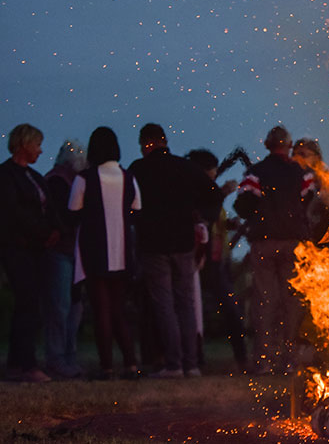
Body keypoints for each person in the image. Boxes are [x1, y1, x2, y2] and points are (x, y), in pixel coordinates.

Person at [128, 123, 221, 379]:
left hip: (154, 244)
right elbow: (214, 193)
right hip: (183, 243)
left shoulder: (139, 169)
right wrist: (202, 217)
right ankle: (191, 364)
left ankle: (173, 363)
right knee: (186, 303)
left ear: (146, 143)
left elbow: (129, 204)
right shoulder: (186, 167)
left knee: (165, 305)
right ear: (164, 140)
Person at [234, 125, 315, 375]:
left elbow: (244, 204)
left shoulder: (255, 173)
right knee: (292, 302)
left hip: (264, 244)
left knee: (265, 302)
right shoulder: (302, 172)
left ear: (268, 145)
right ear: (288, 146)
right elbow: (310, 199)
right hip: (294, 243)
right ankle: (290, 360)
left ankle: (265, 360)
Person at [68, 126, 141, 380]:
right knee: (118, 309)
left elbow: (73, 211)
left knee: (101, 310)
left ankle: (106, 367)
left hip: (94, 250)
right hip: (122, 251)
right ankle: (131, 364)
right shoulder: (129, 176)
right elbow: (137, 209)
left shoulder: (84, 178)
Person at [0, 123, 60, 382]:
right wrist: (42, 232)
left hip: (37, 249)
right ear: (24, 144)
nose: (40, 150)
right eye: (36, 144)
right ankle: (27, 364)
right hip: (19, 248)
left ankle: (17, 362)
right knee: (28, 304)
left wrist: (56, 229)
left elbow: (50, 208)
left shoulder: (34, 177)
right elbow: (13, 213)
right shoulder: (6, 176)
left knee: (29, 304)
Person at [186, 148, 246, 373]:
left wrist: (230, 224)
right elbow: (202, 217)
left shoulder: (210, 194)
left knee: (230, 310)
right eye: (211, 173)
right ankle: (194, 358)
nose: (213, 177)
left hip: (218, 262)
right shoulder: (196, 193)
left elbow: (215, 221)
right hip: (199, 263)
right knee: (194, 310)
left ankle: (241, 358)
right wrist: (221, 193)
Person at [42, 139, 88, 379]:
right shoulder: (59, 181)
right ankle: (58, 358)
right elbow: (63, 216)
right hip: (62, 251)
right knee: (61, 307)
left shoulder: (63, 180)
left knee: (71, 306)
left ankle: (67, 357)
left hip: (72, 252)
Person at [291, 137, 329, 242]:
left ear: (317, 157)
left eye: (303, 154)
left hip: (323, 246)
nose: (296, 159)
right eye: (294, 155)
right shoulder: (291, 184)